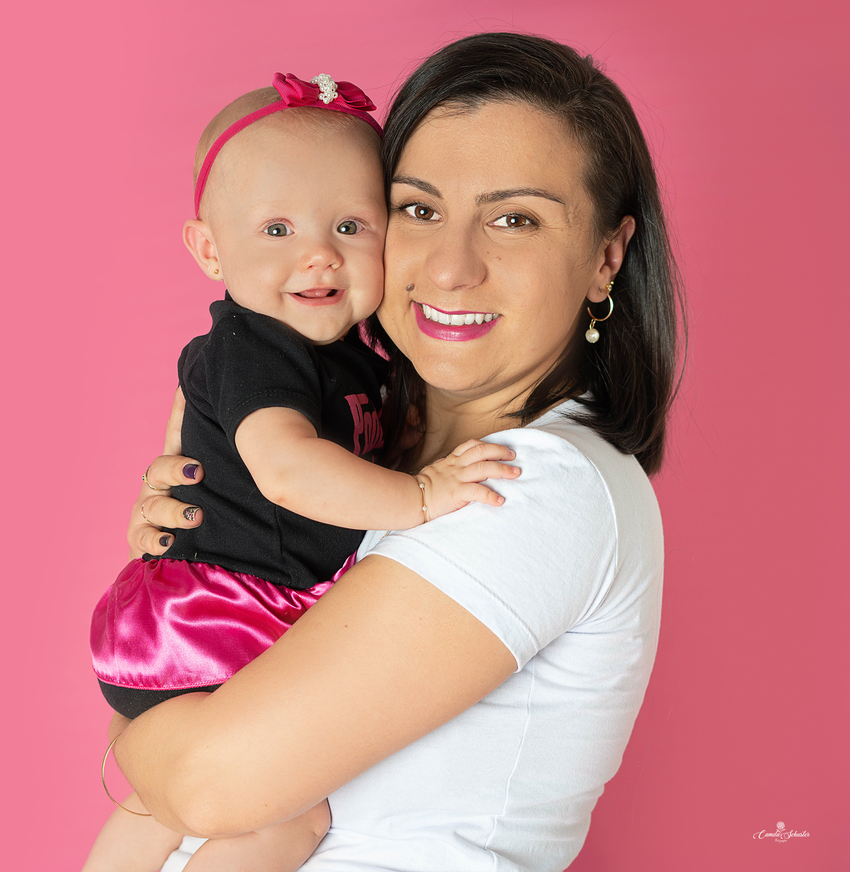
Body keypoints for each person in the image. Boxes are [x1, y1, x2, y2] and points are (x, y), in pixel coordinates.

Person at [115, 32, 680, 872]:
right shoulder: (364, 452)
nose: (450, 267)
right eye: (418, 209)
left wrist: (135, 730)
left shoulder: (528, 486)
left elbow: (207, 784)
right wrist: (197, 564)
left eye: (514, 219)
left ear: (607, 257)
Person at [84, 74, 521, 872]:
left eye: (351, 226)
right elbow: (287, 470)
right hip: (220, 617)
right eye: (277, 229)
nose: (319, 253)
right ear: (211, 250)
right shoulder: (256, 346)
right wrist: (421, 494)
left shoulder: (353, 355)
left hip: (234, 612)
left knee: (155, 801)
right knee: (288, 817)